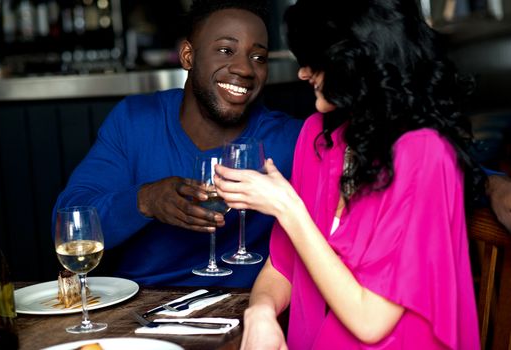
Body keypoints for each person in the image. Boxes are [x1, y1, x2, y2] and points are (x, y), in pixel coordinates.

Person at [214, 0, 482, 348]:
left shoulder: (424, 153)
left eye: (313, 59)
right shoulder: (319, 136)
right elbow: (281, 266)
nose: (302, 73)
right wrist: (261, 313)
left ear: (356, 59)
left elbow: (370, 322)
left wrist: (287, 207)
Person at [52, 0, 303, 288]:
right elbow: (72, 223)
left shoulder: (290, 138)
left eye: (258, 57)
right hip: (142, 310)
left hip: (247, 306)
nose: (245, 69)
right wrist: (145, 200)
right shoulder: (135, 121)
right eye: (225, 50)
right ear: (188, 56)